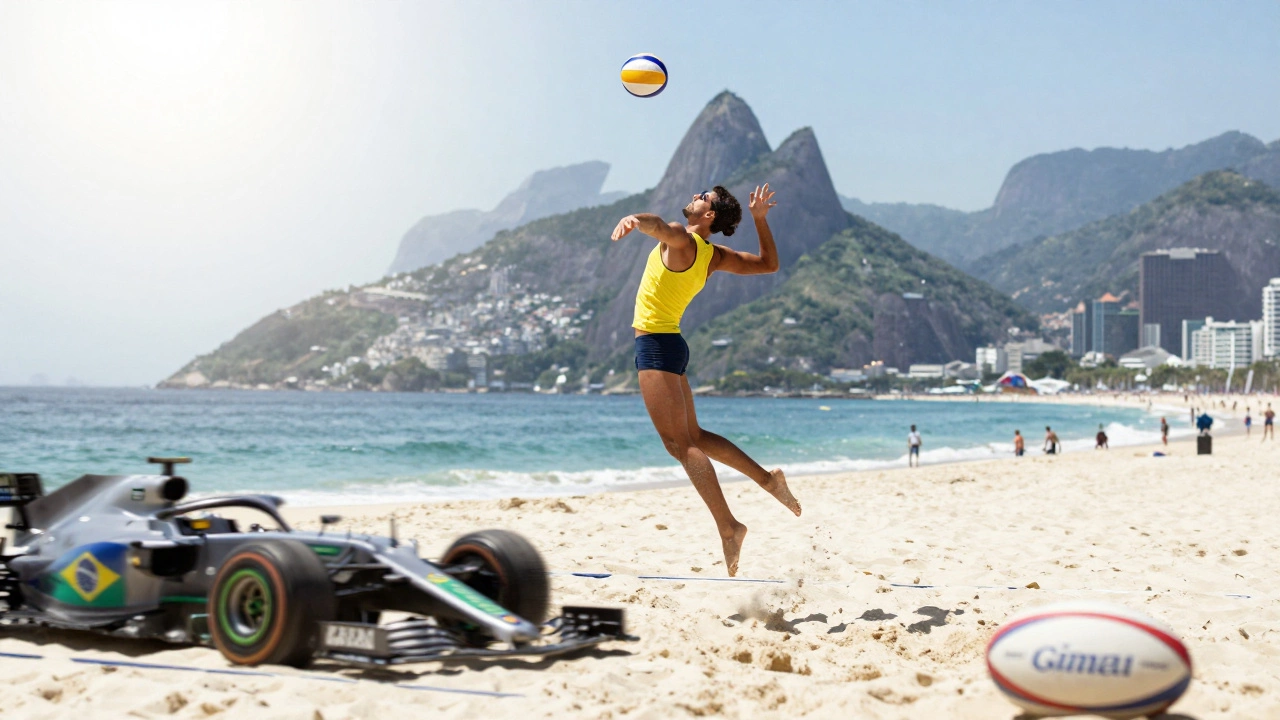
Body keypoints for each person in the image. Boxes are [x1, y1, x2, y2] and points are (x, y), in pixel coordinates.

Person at [612, 183, 799, 577]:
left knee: (679, 444)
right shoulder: (713, 256)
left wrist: (636, 220)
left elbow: (660, 226)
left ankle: (729, 527)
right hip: (673, 345)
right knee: (693, 437)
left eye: (702, 196)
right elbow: (769, 264)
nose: (695, 196)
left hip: (657, 348)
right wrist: (761, 221)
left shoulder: (683, 240)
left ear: (708, 215)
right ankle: (768, 480)